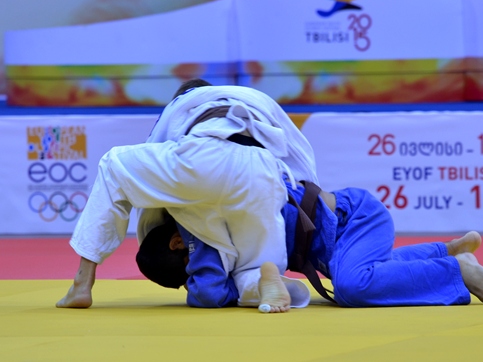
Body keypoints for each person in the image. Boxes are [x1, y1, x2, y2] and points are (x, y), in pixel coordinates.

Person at [56, 79, 318, 313]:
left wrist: (161, 228)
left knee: (113, 166)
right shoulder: (254, 98)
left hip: (203, 158)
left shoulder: (183, 103)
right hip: (261, 170)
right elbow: (299, 152)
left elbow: (152, 180)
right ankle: (264, 284)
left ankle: (82, 283)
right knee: (253, 266)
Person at [137, 179, 483, 308]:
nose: (200, 276)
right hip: (340, 239)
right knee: (368, 272)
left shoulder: (202, 219)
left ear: (178, 242)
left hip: (354, 218)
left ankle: (453, 272)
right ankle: (446, 252)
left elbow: (208, 292)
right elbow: (216, 290)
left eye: (190, 272)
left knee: (353, 286)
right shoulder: (208, 234)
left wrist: (196, 264)